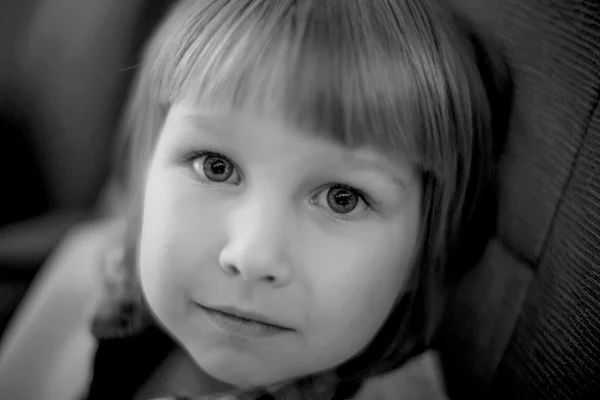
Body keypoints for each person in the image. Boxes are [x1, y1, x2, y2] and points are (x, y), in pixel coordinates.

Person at [0, 0, 501, 399]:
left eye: (343, 198)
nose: (252, 256)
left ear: (425, 249)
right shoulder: (78, 277)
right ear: (146, 173)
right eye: (216, 167)